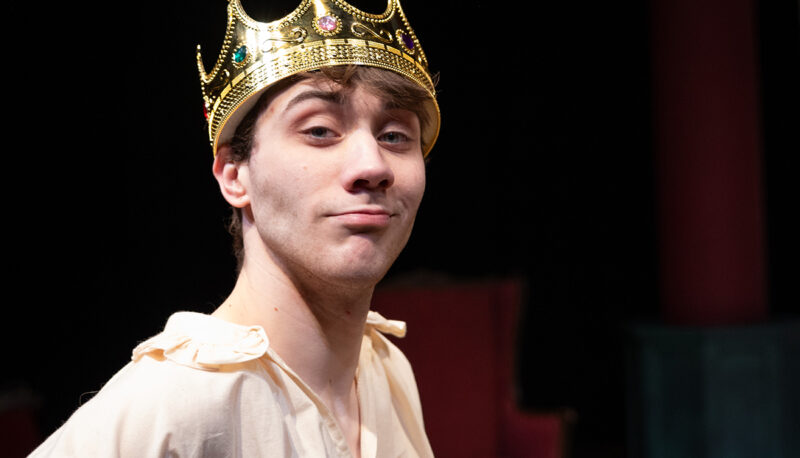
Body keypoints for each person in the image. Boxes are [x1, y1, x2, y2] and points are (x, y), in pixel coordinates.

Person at [29, 0, 440, 456]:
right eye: (320, 130)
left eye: (395, 136)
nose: (373, 165)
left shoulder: (386, 370)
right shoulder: (174, 403)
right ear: (234, 174)